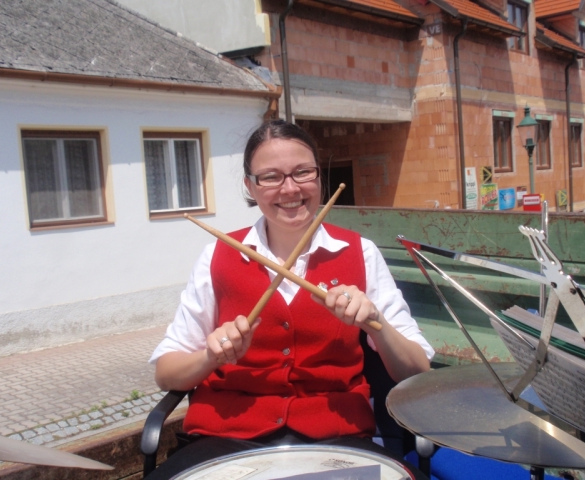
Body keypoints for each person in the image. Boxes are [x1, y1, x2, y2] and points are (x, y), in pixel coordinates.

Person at [148, 119, 435, 478]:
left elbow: (417, 370)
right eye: (270, 177)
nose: (289, 188)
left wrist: (375, 323)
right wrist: (210, 356)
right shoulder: (216, 256)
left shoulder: (360, 253)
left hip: (338, 440)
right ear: (250, 186)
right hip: (224, 439)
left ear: (319, 176)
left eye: (302, 172)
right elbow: (166, 374)